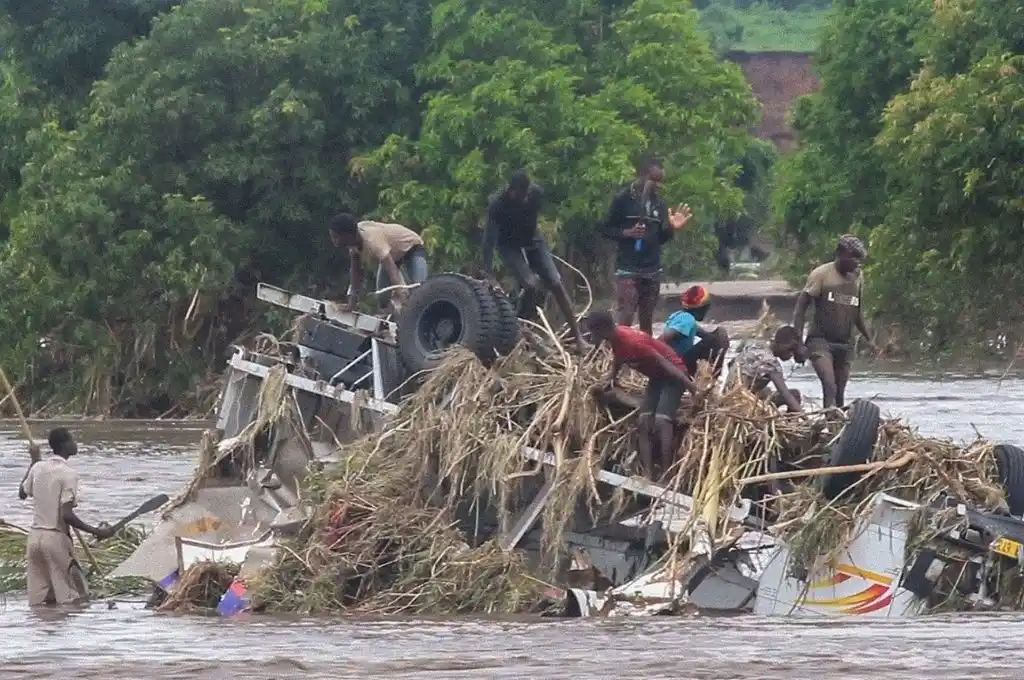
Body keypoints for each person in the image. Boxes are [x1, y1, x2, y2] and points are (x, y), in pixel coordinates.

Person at [482, 170, 588, 351]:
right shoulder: (497, 204)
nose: (523, 198)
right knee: (530, 284)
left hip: (532, 240)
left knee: (556, 283)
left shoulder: (536, 194)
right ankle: (521, 328)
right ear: (511, 190)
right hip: (508, 245)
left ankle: (578, 337)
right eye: (519, 195)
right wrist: (489, 274)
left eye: (526, 194)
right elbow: (488, 240)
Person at [585, 310, 696, 477]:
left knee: (661, 421)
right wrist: (611, 377)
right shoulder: (616, 338)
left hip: (674, 375)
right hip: (657, 377)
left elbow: (664, 362)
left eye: (593, 333)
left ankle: (666, 473)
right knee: (643, 422)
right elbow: (619, 357)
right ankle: (648, 474)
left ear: (602, 330)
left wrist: (691, 387)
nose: (592, 337)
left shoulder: (632, 341)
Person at [18, 428, 113, 606]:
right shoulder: (69, 474)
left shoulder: (38, 468)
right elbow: (67, 515)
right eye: (72, 440)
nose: (75, 443)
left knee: (39, 601)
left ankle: (40, 632)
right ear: (64, 445)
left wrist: (33, 461)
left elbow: (22, 493)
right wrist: (95, 531)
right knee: (73, 597)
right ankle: (66, 633)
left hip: (34, 539)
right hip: (55, 539)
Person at [601, 155, 693, 335]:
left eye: (660, 181)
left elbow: (661, 238)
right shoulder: (623, 200)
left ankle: (645, 359)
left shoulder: (659, 203)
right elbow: (605, 229)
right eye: (654, 180)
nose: (657, 185)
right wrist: (627, 233)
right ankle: (622, 354)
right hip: (628, 267)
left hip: (652, 269)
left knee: (647, 321)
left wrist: (673, 228)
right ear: (642, 176)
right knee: (626, 315)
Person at [793, 234, 877, 409]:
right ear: (840, 254)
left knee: (839, 394)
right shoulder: (821, 274)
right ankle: (828, 419)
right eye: (852, 257)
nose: (856, 262)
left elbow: (857, 312)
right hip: (820, 341)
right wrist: (798, 342)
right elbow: (801, 307)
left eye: (858, 259)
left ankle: (835, 430)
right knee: (829, 385)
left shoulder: (858, 278)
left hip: (844, 344)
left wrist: (870, 340)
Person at [328, 213, 429, 312]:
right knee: (383, 297)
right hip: (392, 255)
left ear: (347, 235)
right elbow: (355, 273)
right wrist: (352, 303)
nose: (333, 241)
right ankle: (391, 318)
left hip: (411, 247)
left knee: (419, 290)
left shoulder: (372, 241)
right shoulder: (353, 245)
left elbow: (391, 270)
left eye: (335, 237)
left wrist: (402, 295)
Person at [728, 326, 804, 412]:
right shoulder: (771, 363)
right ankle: (792, 423)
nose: (791, 354)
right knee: (794, 395)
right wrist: (806, 418)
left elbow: (731, 363)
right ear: (778, 343)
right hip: (743, 404)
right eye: (790, 349)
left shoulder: (756, 345)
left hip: (728, 397)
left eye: (794, 350)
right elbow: (787, 396)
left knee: (766, 390)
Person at [660, 285, 730, 378]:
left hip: (677, 360)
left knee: (718, 335)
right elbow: (665, 337)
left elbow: (705, 335)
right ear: (702, 309)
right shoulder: (688, 320)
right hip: (677, 362)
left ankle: (710, 375)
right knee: (721, 334)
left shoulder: (680, 315)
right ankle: (714, 376)